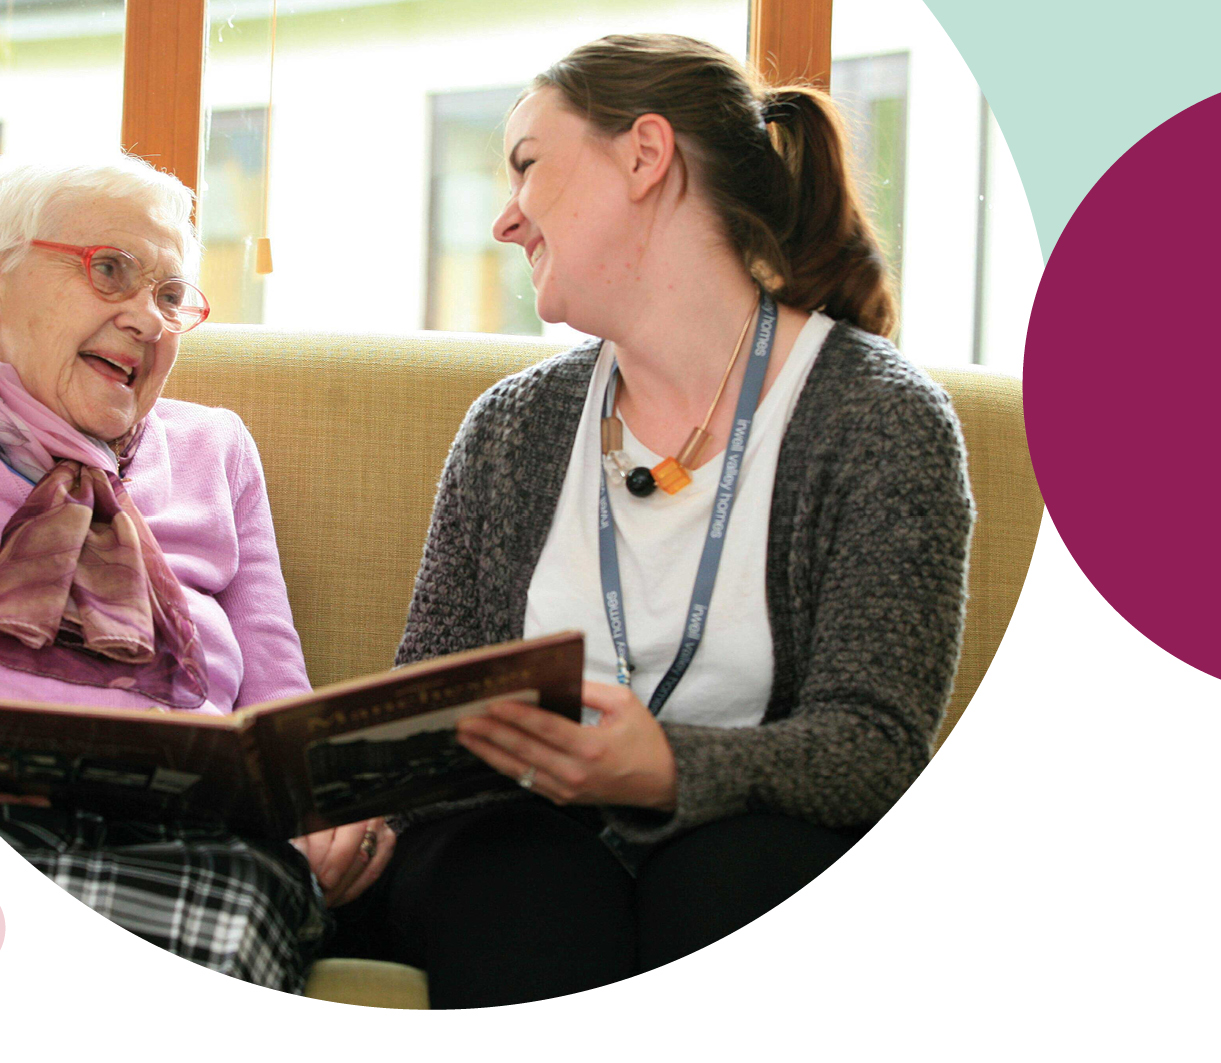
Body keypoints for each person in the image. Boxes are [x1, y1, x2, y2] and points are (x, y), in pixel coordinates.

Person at [329, 34, 974, 1008]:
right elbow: (429, 704)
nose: (505, 218)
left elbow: (873, 744)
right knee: (520, 888)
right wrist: (359, 807)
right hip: (515, 837)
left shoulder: (875, 417)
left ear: (644, 155)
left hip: (747, 841)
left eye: (526, 165)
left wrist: (667, 767)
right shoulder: (512, 427)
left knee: (734, 883)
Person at [0, 153, 394, 993]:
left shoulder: (215, 449)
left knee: (235, 891)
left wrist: (332, 804)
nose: (148, 320)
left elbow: (281, 713)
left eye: (170, 295)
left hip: (191, 842)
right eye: (110, 271)